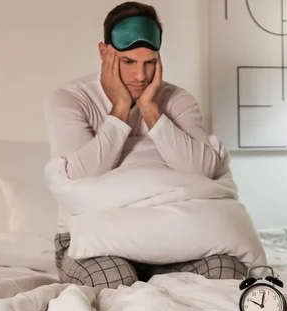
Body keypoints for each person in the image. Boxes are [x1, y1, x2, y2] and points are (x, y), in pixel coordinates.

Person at [45, 1, 247, 289]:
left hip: (172, 238)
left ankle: (159, 288)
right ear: (105, 53)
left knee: (228, 270)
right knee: (116, 280)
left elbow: (201, 169)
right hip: (91, 241)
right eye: (128, 62)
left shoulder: (178, 100)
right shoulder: (69, 99)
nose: (140, 76)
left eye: (150, 62)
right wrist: (121, 108)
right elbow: (82, 175)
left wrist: (151, 108)